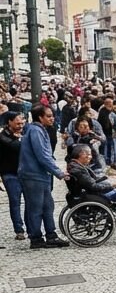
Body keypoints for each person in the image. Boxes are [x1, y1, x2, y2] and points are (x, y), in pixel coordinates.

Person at [18, 105, 68, 249]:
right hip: (33, 175)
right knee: (36, 207)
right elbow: (42, 155)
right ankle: (36, 238)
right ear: (40, 117)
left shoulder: (39, 130)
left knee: (47, 206)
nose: (52, 118)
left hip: (40, 174)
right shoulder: (35, 131)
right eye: (49, 116)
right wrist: (58, 172)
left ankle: (51, 235)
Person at [1, 112, 24, 240]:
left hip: (24, 173)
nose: (20, 126)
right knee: (15, 201)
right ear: (9, 122)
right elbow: (15, 146)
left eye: (22, 123)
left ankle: (32, 228)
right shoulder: (3, 136)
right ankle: (19, 229)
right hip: (9, 173)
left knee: (30, 201)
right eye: (17, 123)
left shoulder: (24, 133)